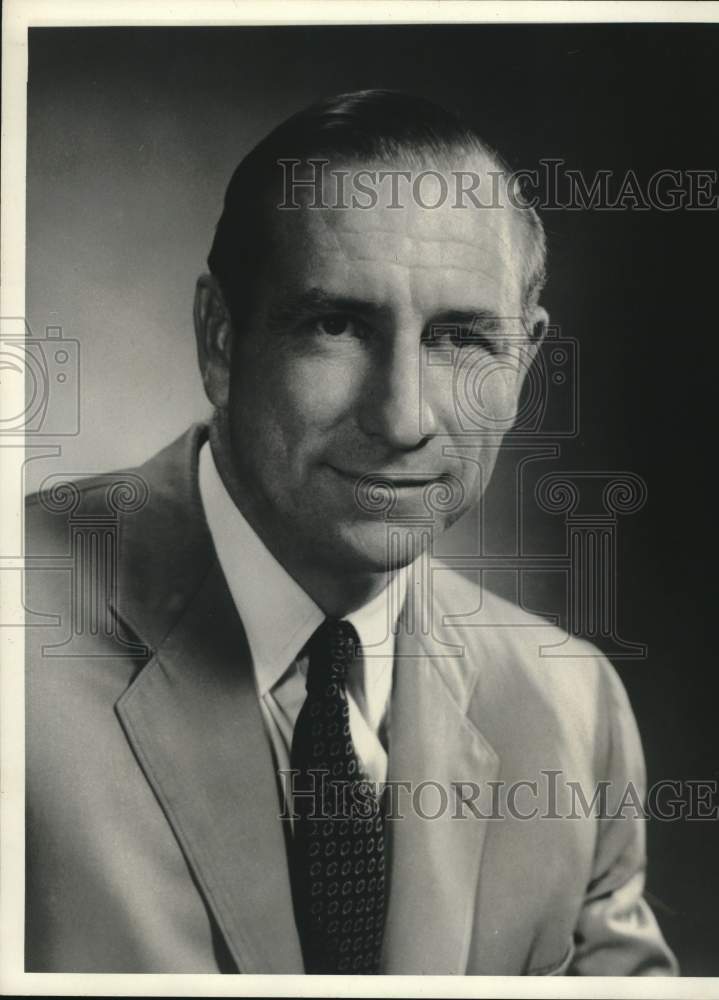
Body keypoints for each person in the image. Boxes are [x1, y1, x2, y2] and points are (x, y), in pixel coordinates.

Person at [25, 90, 677, 976]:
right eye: (337, 326)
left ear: (524, 361)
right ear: (220, 340)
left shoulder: (572, 711)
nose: (403, 417)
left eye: (460, 340)